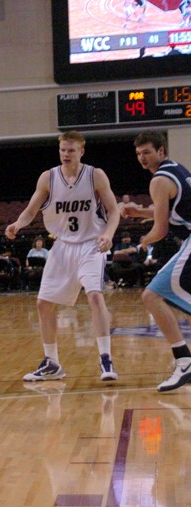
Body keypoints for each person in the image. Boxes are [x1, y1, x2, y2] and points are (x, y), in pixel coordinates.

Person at [6, 131, 120, 383]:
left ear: (82, 151)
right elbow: (30, 210)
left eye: (71, 150)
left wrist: (109, 234)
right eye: (63, 150)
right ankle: (52, 363)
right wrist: (18, 224)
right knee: (43, 304)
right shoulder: (48, 177)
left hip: (92, 244)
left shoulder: (95, 175)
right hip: (62, 246)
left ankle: (105, 359)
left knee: (94, 295)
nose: (66, 154)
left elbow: (113, 212)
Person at [122, 131, 191, 391]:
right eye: (138, 154)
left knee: (152, 296)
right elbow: (172, 209)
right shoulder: (177, 169)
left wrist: (142, 243)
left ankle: (184, 361)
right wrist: (140, 210)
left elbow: (161, 230)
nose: (142, 158)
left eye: (147, 152)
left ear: (161, 151)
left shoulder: (159, 180)